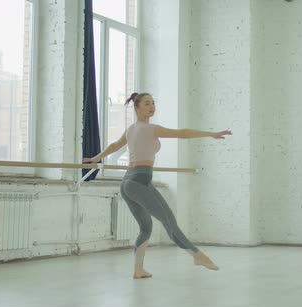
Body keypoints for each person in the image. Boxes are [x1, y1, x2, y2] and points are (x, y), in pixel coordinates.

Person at [84, 92, 232, 279]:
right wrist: (211, 134)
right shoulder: (150, 128)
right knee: (169, 220)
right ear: (137, 107)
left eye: (153, 103)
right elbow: (183, 134)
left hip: (129, 183)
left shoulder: (131, 129)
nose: (152, 107)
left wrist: (95, 159)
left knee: (146, 228)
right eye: (147, 104)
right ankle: (197, 255)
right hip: (138, 181)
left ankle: (138, 270)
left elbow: (115, 146)